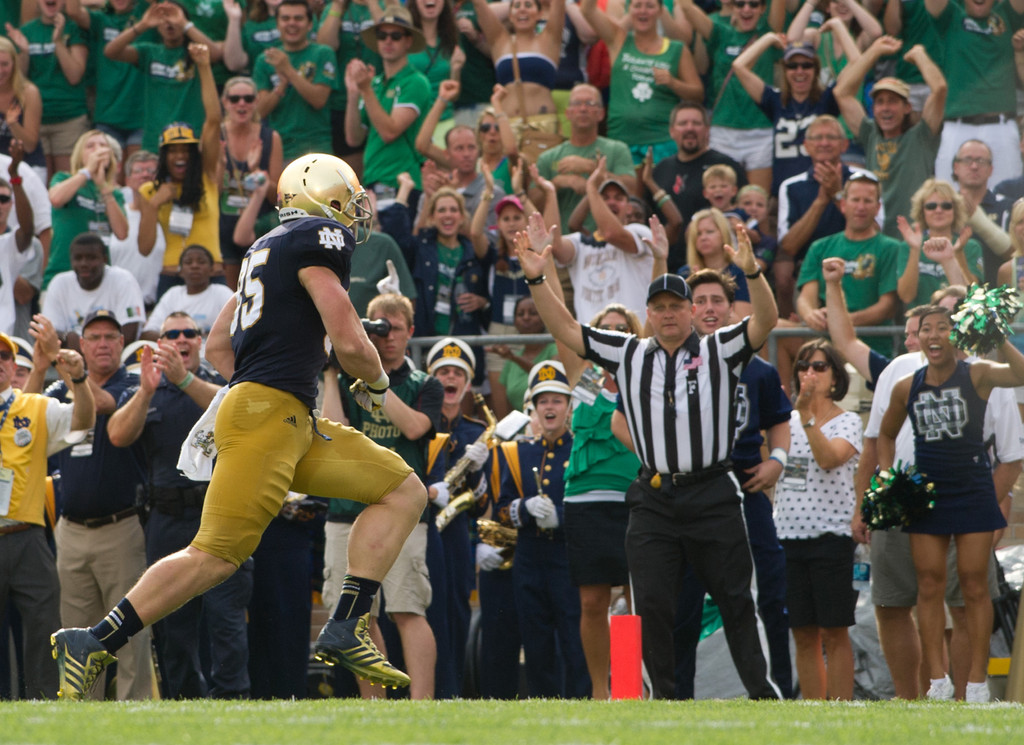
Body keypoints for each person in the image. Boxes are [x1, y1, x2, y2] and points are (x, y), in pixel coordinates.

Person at [50, 152, 427, 701]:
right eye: (348, 199)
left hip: (283, 414)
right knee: (215, 556)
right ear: (322, 200)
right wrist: (375, 384)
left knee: (401, 490)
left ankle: (346, 623)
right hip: (271, 415)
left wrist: (266, 385)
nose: (355, 213)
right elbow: (349, 340)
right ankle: (94, 639)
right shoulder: (319, 237)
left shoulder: (262, 248)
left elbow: (219, 344)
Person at [513, 220, 781, 699]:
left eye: (677, 305)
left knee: (736, 600)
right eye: (659, 307)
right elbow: (569, 332)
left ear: (692, 310)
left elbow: (765, 322)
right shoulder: (629, 352)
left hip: (714, 492)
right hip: (655, 496)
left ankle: (761, 695)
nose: (668, 314)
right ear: (649, 314)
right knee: (653, 604)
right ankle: (664, 700)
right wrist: (537, 277)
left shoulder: (720, 348)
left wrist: (753, 272)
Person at [878, 305, 1024, 702]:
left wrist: (998, 338)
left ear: (957, 336)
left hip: (973, 490)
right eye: (927, 328)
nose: (935, 334)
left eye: (944, 327)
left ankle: (975, 681)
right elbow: (885, 434)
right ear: (919, 336)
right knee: (929, 585)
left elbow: (1021, 374)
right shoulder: (907, 385)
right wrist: (889, 476)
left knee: (975, 585)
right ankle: (938, 680)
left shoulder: (977, 373)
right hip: (927, 495)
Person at [106, 311, 251, 699]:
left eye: (190, 333)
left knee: (227, 620)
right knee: (171, 625)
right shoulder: (145, 387)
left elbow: (235, 414)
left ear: (201, 341)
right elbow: (118, 434)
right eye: (173, 334)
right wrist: (147, 391)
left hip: (219, 515)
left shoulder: (224, 383)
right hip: (167, 518)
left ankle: (232, 705)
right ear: (161, 343)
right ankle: (182, 706)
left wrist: (185, 381)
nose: (182, 339)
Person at [671, 268, 793, 700]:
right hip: (687, 491)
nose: (708, 308)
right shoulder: (667, 365)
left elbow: (780, 422)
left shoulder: (757, 370)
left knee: (767, 595)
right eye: (699, 300)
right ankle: (675, 698)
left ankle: (778, 691)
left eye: (716, 300)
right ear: (687, 310)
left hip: (746, 490)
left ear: (731, 308)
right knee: (682, 602)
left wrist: (776, 461)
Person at [322, 292, 443, 700]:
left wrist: (374, 380)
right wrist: (329, 373)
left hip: (402, 514)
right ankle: (377, 709)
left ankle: (421, 706)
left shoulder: (426, 384)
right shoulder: (341, 382)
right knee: (357, 618)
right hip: (346, 511)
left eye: (394, 327)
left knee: (408, 608)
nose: (385, 336)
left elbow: (414, 428)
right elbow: (332, 432)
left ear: (411, 332)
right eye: (376, 326)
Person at [46, 309, 152, 700]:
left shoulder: (134, 385)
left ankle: (135, 716)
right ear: (82, 345)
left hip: (121, 527)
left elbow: (102, 402)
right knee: (75, 634)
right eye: (95, 337)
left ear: (122, 344)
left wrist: (76, 379)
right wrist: (46, 362)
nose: (104, 343)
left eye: (111, 336)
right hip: (70, 530)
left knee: (131, 635)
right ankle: (83, 722)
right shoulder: (60, 392)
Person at [0, 330, 93, 700]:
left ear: (12, 366)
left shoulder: (33, 407)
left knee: (44, 630)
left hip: (27, 536)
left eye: (4, 357)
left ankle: (42, 705)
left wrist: (80, 379)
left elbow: (82, 424)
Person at [494, 359, 589, 698]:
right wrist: (524, 508)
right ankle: (543, 704)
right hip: (530, 556)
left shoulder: (581, 449)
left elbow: (593, 504)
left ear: (568, 407)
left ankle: (581, 703)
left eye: (557, 400)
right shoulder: (518, 452)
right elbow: (501, 508)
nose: (550, 407)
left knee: (573, 637)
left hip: (568, 556)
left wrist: (561, 516)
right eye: (543, 401)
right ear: (533, 407)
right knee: (535, 639)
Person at [775, 339, 861, 700]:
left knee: (834, 631)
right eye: (803, 366)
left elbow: (829, 459)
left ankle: (840, 708)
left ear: (835, 376)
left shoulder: (849, 421)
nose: (809, 373)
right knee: (803, 632)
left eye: (819, 367)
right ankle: (814, 712)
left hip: (832, 536)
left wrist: (808, 419)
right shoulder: (785, 420)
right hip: (788, 535)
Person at [425, 336, 490, 698]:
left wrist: (478, 473)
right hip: (422, 531)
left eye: (457, 373)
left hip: (458, 538)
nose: (450, 378)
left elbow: (483, 505)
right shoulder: (419, 422)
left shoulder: (477, 432)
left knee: (457, 613)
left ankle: (452, 692)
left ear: (467, 384)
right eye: (443, 372)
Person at [833, 36, 946, 238]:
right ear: (873, 108)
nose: (885, 108)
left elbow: (939, 89)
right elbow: (842, 93)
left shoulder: (922, 135)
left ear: (907, 108)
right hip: (878, 237)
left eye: (893, 101)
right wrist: (874, 51)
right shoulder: (870, 134)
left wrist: (919, 54)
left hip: (914, 236)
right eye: (880, 102)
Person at [137, 43, 223, 300]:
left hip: (213, 273)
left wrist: (204, 66)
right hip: (172, 276)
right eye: (173, 150)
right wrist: (153, 205)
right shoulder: (148, 191)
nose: (180, 155)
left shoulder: (207, 176)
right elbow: (144, 248)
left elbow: (214, 120)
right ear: (163, 156)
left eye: (186, 149)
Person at [776, 114, 880, 318]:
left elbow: (877, 232)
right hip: (811, 275)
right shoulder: (790, 186)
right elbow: (788, 246)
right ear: (806, 145)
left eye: (831, 137)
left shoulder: (867, 181)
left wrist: (837, 195)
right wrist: (821, 201)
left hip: (863, 269)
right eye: (817, 138)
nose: (824, 143)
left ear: (844, 144)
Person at [677, 0, 786, 193]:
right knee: (719, 196)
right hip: (723, 129)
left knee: (756, 200)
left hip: (759, 130)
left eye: (754, 4)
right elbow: (686, 7)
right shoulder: (720, 33)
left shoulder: (768, 33)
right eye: (740, 4)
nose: (746, 9)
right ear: (731, 7)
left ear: (762, 8)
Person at [580, 0, 702, 166]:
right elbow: (588, 10)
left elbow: (698, 94)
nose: (643, 11)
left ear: (661, 11)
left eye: (650, 6)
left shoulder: (677, 49)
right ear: (629, 10)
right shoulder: (618, 39)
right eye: (637, 6)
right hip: (621, 140)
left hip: (663, 141)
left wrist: (673, 83)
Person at [795, 172, 899, 356]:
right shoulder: (820, 247)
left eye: (867, 201)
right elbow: (806, 297)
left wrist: (842, 321)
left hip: (870, 345)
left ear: (877, 208)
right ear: (843, 204)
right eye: (855, 200)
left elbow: (887, 307)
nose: (861, 207)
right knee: (777, 329)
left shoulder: (891, 248)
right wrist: (810, 315)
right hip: (824, 341)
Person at [103, 1, 224, 154]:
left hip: (191, 135)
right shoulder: (149, 52)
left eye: (173, 20)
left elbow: (215, 54)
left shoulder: (196, 53)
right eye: (163, 21)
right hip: (155, 137)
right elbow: (110, 52)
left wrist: (184, 24)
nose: (169, 25)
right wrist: (143, 25)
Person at [928, 0, 1024, 187]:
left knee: (1009, 200)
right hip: (956, 126)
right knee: (949, 198)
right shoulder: (951, 16)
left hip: (1001, 127)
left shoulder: (1007, 14)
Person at [547, 161, 654, 321]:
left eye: (618, 198)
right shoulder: (580, 244)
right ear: (595, 205)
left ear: (628, 207)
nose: (611, 202)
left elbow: (610, 233)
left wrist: (591, 188)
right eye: (604, 198)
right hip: (592, 341)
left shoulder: (640, 233)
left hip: (633, 339)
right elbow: (553, 245)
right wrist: (550, 192)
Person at [344, 5, 432, 198]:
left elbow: (389, 132)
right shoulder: (375, 83)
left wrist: (365, 90)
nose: (388, 41)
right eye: (382, 36)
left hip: (403, 181)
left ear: (408, 41)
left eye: (396, 36)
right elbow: (354, 138)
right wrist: (352, 94)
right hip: (373, 180)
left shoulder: (415, 82)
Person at [651, 102, 747, 272]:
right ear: (672, 131)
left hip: (717, 267)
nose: (690, 128)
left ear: (707, 129)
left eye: (696, 123)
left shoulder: (725, 166)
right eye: (683, 123)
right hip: (671, 264)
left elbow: (745, 208)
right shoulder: (661, 170)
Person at [532, 83, 635, 232]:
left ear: (601, 113)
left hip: (608, 240)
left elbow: (632, 190)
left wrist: (591, 168)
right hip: (563, 243)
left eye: (590, 103)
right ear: (567, 113)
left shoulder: (617, 149)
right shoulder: (547, 157)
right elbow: (533, 207)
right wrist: (556, 183)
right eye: (577, 103)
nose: (583, 109)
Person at [219, 75, 283, 291]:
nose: (242, 104)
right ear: (225, 102)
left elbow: (277, 196)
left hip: (258, 226)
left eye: (248, 98)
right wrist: (220, 165)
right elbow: (210, 191)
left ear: (256, 102)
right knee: (230, 297)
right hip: (223, 223)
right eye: (235, 99)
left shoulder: (269, 137)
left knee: (258, 292)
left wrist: (256, 170)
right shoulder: (216, 136)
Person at [12, 0, 89, 179]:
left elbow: (75, 75)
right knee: (40, 180)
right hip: (36, 119)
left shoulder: (74, 29)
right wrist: (23, 52)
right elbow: (19, 80)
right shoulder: (27, 30)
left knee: (65, 179)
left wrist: (58, 41)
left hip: (69, 117)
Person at [44, 129, 128, 289]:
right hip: (62, 273)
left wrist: (104, 189)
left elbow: (122, 233)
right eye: (90, 146)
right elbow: (56, 199)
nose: (98, 150)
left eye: (103, 145)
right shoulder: (64, 178)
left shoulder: (114, 193)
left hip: (99, 280)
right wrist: (87, 172)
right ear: (79, 154)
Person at [253, 0, 335, 163]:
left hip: (317, 149)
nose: (292, 24)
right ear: (277, 24)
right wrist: (281, 85)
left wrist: (288, 70)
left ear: (310, 24)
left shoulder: (323, 53)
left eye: (298, 18)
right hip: (279, 150)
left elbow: (319, 100)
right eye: (285, 19)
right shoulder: (266, 59)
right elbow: (260, 112)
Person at [64, 0, 147, 160]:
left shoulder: (146, 16)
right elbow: (73, 10)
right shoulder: (101, 20)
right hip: (108, 114)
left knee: (136, 173)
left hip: (139, 116)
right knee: (109, 175)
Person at [41, 232, 146, 348]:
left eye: (91, 258)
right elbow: (49, 333)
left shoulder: (124, 280)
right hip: (71, 359)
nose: (84, 263)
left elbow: (130, 332)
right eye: (78, 258)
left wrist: (92, 348)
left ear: (105, 259)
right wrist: (68, 337)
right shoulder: (59, 283)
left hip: (113, 358)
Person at [471, 0, 565, 124]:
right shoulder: (499, 41)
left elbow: (559, 4)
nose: (522, 9)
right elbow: (479, 5)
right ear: (510, 15)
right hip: (507, 125)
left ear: (540, 13)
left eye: (528, 5)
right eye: (516, 6)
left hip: (543, 125)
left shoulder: (550, 39)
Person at [895, 179, 981, 308]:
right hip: (920, 323)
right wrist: (915, 249)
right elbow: (906, 296)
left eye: (946, 206)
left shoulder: (970, 246)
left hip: (956, 322)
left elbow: (973, 297)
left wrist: (958, 253)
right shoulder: (907, 246)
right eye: (931, 206)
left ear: (955, 210)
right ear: (922, 211)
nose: (939, 210)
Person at [952, 139, 1013, 286]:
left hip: (998, 295)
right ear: (956, 167)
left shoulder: (1007, 206)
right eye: (968, 160)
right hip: (954, 293)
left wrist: (978, 220)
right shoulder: (941, 207)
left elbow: (1016, 253)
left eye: (981, 161)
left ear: (991, 169)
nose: (974, 166)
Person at [108, 150, 164, 308]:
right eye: (138, 171)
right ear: (127, 180)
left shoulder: (167, 216)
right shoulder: (117, 215)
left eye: (152, 171)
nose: (145, 175)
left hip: (157, 304)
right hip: (117, 303)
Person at [141, 244, 235, 338]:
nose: (194, 266)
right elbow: (148, 332)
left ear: (211, 270)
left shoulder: (222, 293)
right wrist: (175, 338)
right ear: (180, 271)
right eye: (188, 262)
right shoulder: (172, 295)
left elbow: (237, 328)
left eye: (201, 262)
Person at [489, 295, 558, 418]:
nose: (526, 318)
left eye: (533, 313)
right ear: (514, 322)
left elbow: (549, 377)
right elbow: (506, 409)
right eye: (520, 314)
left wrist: (513, 358)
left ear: (544, 318)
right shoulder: (510, 361)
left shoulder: (555, 350)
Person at [680, 207, 751, 321]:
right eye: (698, 234)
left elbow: (744, 321)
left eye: (710, 232)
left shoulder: (739, 272)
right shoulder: (685, 273)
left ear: (724, 235)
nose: (703, 238)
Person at [0, 37, 44, 182]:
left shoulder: (28, 93)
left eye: (5, 64)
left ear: (14, 64)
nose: (0, 70)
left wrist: (13, 124)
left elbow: (30, 146)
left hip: (27, 166)